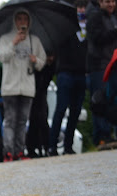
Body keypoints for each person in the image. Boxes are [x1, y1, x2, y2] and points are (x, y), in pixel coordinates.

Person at [0, 9, 46, 161]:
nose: (22, 22)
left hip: (27, 87)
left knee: (22, 121)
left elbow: (41, 62)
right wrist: (14, 42)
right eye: (19, 18)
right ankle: (8, 152)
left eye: (25, 19)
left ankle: (20, 151)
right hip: (10, 87)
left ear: (29, 21)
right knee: (10, 120)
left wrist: (35, 60)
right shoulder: (5, 38)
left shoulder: (34, 40)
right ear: (14, 21)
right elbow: (3, 57)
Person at [49, 0, 88, 155]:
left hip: (81, 74)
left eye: (84, 7)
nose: (81, 10)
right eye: (79, 7)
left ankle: (68, 146)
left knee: (76, 112)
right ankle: (52, 146)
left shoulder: (88, 28)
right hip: (65, 73)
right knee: (61, 109)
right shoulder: (64, 27)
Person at [86, 0, 117, 145]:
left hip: (112, 64)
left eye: (112, 1)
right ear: (100, 2)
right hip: (99, 65)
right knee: (99, 101)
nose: (111, 4)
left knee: (112, 101)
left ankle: (109, 132)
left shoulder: (113, 17)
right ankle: (101, 136)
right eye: (107, 1)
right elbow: (96, 38)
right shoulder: (95, 16)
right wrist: (114, 32)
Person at [26, 53, 56, 157]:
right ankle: (32, 148)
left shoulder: (48, 68)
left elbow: (48, 79)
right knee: (33, 120)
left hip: (41, 94)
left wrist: (48, 64)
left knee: (42, 119)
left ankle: (46, 147)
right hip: (31, 93)